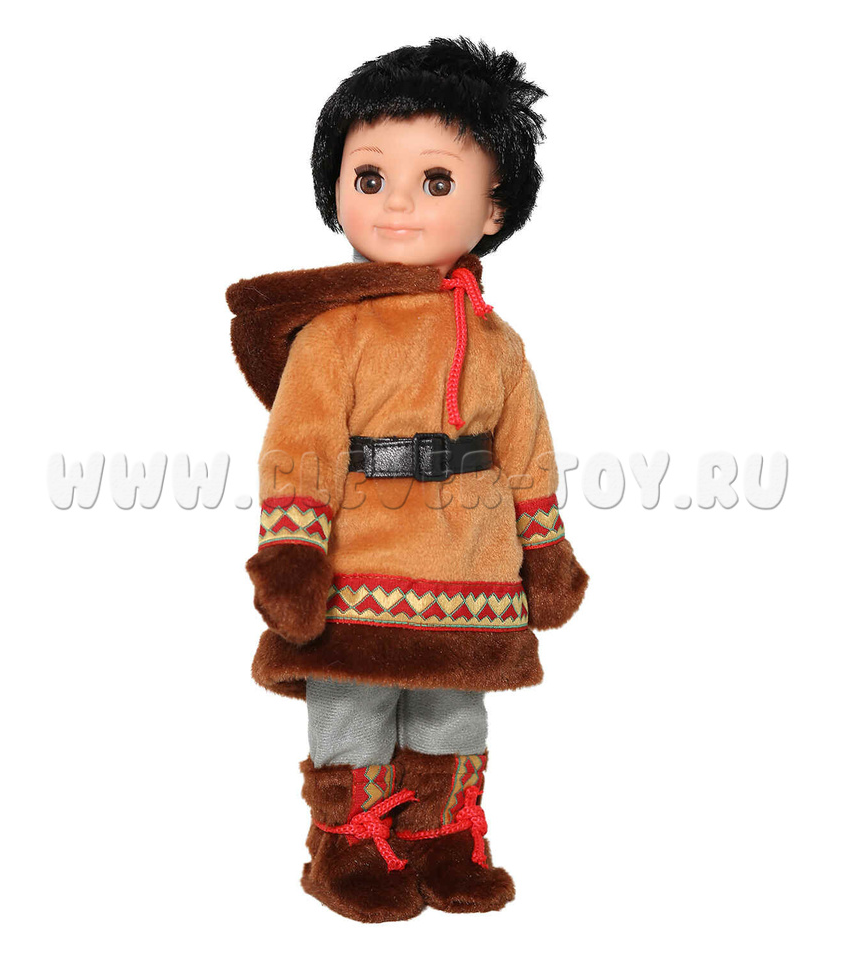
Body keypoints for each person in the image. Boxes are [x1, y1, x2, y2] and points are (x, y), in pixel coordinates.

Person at [227, 37, 589, 923]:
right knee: (351, 706)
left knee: (450, 711)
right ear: (336, 189)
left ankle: (443, 835)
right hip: (359, 567)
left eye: (435, 180)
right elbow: (300, 447)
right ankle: (350, 845)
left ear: (494, 208)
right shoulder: (334, 333)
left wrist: (545, 547)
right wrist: (292, 550)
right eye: (369, 176)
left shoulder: (499, 343)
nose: (396, 203)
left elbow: (528, 451)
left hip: (467, 570)